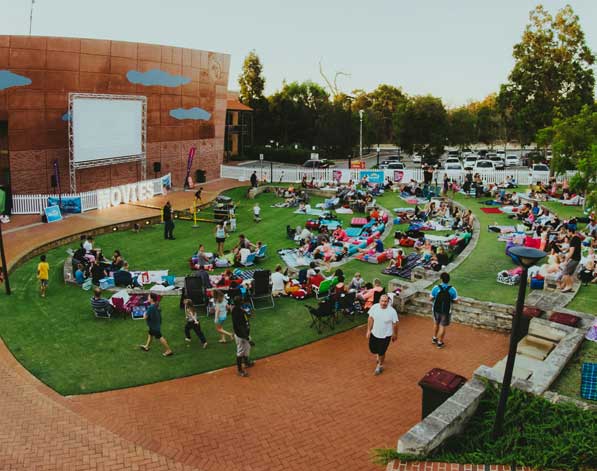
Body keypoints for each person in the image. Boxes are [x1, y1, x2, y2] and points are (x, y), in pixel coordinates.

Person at [366, 294, 399, 376]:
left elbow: (395, 323)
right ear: (379, 301)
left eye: (386, 301)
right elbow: (370, 318)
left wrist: (395, 334)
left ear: (388, 302)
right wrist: (368, 330)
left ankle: (379, 365)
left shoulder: (392, 311)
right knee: (372, 349)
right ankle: (379, 355)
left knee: (382, 351)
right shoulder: (374, 307)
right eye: (382, 301)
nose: (384, 303)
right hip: (374, 333)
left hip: (386, 335)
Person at [430, 272, 458, 349]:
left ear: (441, 279)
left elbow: (430, 298)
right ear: (448, 280)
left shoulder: (436, 288)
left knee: (436, 323)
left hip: (436, 309)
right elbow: (456, 301)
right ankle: (440, 342)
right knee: (442, 326)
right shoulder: (452, 289)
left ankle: (434, 338)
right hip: (446, 311)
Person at [231, 295, 253, 377]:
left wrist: (247, 314)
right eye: (242, 301)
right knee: (240, 352)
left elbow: (246, 317)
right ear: (239, 303)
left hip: (245, 334)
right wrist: (247, 338)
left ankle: (246, 363)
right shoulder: (237, 312)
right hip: (241, 335)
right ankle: (240, 370)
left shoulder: (238, 310)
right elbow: (240, 327)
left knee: (247, 348)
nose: (243, 302)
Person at [559, 227, 582, 293]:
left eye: (568, 232)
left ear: (571, 232)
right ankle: (569, 286)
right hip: (577, 258)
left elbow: (571, 252)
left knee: (565, 272)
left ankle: (568, 287)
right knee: (569, 273)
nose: (567, 234)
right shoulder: (577, 238)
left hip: (574, 259)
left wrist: (566, 260)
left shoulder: (573, 240)